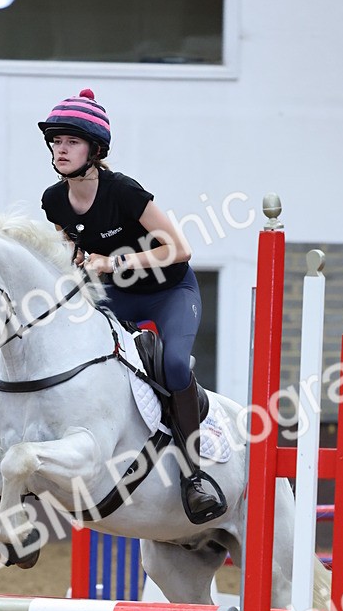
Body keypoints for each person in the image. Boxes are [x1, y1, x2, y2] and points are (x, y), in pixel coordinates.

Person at [38, 88, 225, 524]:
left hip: (169, 292)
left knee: (175, 366)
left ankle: (194, 473)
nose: (60, 149)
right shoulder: (53, 200)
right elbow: (72, 248)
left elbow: (179, 248)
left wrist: (113, 260)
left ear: (95, 150)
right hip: (116, 296)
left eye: (71, 142)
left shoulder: (122, 191)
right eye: (56, 141)